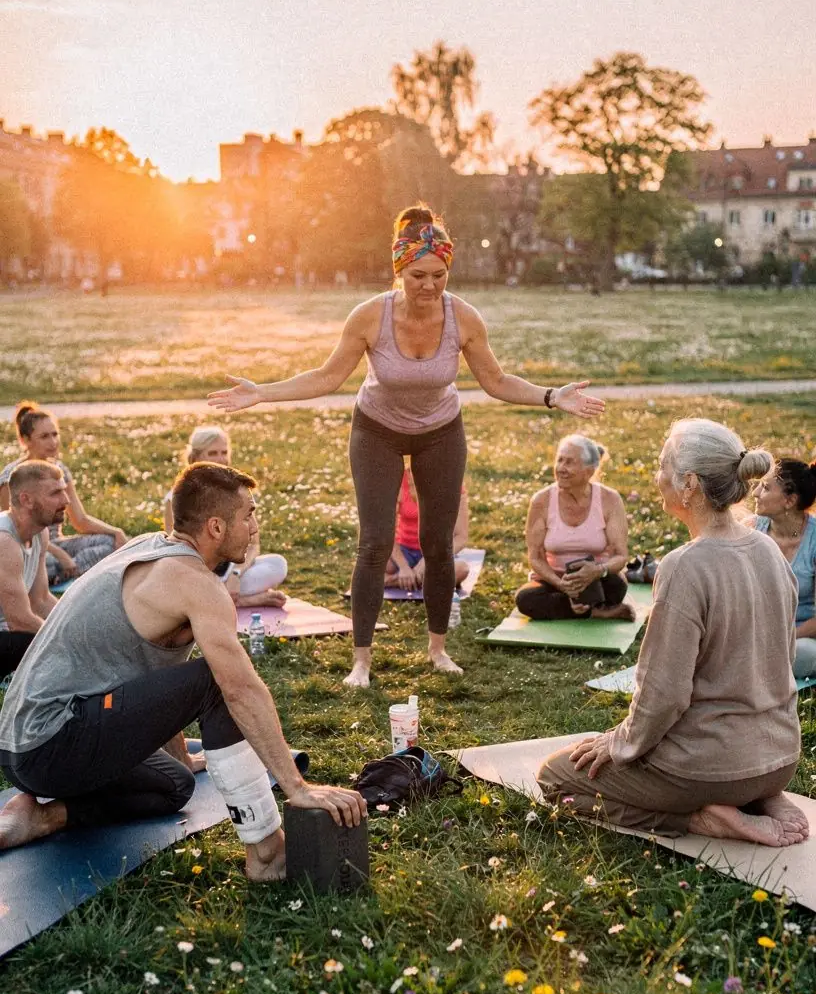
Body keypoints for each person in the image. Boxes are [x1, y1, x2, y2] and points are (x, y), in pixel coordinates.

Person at [208, 203, 604, 687]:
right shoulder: (371, 315)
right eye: (419, 275)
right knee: (375, 542)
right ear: (399, 269)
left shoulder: (464, 318)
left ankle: (437, 649)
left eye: (439, 275)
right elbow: (329, 376)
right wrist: (262, 392)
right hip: (376, 428)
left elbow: (497, 381)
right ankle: (362, 661)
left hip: (441, 430)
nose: (430, 285)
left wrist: (551, 396)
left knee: (437, 545)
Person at [0, 462, 366, 877]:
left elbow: (146, 668)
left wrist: (179, 748)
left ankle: (43, 818)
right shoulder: (195, 583)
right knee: (216, 679)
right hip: (48, 741)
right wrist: (297, 788)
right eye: (247, 515)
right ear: (215, 527)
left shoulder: (152, 547)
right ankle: (266, 852)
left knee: (174, 783)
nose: (255, 526)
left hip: (26, 747)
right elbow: (240, 689)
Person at [537, 419, 807, 847]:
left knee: (555, 776)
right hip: (779, 758)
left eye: (663, 466)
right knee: (721, 762)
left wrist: (620, 743)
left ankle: (703, 820)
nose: (655, 476)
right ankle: (760, 797)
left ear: (690, 485)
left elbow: (664, 693)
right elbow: (782, 659)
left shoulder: (685, 566)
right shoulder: (769, 549)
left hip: (711, 768)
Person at [0, 402, 126, 585]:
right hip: (25, 549)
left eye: (55, 434)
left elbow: (80, 520)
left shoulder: (60, 471)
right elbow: (15, 532)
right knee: (44, 562)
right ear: (26, 440)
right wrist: (61, 556)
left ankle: (69, 575)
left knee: (109, 543)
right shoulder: (12, 476)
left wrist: (116, 532)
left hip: (57, 543)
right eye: (44, 436)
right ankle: (76, 574)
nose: (53, 442)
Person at [162, 426, 288, 608]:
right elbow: (176, 552)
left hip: (232, 571)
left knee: (277, 564)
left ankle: (222, 597)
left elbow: (253, 545)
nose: (221, 459)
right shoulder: (176, 497)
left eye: (224, 452)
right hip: (196, 572)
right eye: (213, 453)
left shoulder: (240, 493)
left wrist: (235, 575)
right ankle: (245, 601)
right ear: (195, 458)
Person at [515, 434, 633, 621]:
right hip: (554, 580)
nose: (561, 468)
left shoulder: (610, 499)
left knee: (617, 585)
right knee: (525, 599)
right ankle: (596, 612)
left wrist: (597, 570)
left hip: (596, 578)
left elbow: (621, 556)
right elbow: (535, 557)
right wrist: (562, 584)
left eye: (569, 462)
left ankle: (573, 607)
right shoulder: (541, 500)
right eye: (559, 460)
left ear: (589, 471)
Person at [0, 462, 67, 678]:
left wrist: (74, 621)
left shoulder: (39, 532)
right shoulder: (4, 541)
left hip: (8, 632)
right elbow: (19, 620)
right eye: (55, 493)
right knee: (42, 646)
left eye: (63, 491)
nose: (65, 500)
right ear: (26, 500)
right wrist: (69, 640)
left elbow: (40, 599)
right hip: (9, 632)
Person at [751, 458, 816, 679]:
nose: (756, 493)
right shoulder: (751, 530)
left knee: (809, 652)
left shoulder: (814, 541)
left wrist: (782, 639)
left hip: (797, 637)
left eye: (766, 487)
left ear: (789, 501)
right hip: (751, 631)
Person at [386, 463, 470, 591]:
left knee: (461, 569)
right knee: (375, 566)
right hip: (405, 549)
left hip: (437, 551)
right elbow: (386, 532)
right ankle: (421, 580)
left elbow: (461, 537)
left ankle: (394, 581)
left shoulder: (453, 482)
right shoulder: (398, 480)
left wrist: (428, 560)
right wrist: (403, 567)